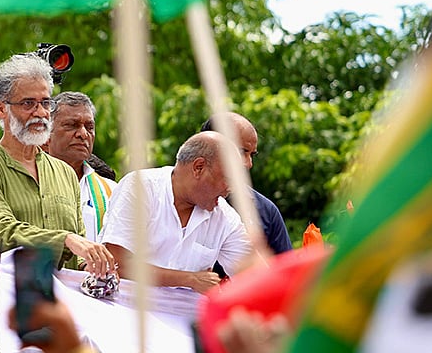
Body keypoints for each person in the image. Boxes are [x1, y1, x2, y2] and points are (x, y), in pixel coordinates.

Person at [0, 54, 115, 277]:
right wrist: (66, 240)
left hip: (66, 305)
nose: (41, 113)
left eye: (45, 102)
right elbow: (1, 234)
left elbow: (79, 241)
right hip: (7, 304)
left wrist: (90, 265)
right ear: (1, 108)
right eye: (28, 103)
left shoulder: (65, 173)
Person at [101, 132, 252, 293]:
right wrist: (191, 279)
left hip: (185, 316)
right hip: (125, 309)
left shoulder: (225, 217)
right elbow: (118, 263)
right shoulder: (141, 187)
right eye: (228, 179)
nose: (231, 189)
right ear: (198, 167)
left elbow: (255, 274)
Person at [200, 113, 292, 255]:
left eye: (252, 155)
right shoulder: (164, 196)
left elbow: (285, 273)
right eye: (241, 152)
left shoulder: (265, 211)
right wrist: (191, 278)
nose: (248, 164)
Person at [44, 91, 117, 242]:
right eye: (72, 125)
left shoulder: (112, 191)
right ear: (46, 135)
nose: (83, 134)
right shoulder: (27, 181)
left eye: (89, 127)